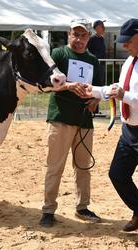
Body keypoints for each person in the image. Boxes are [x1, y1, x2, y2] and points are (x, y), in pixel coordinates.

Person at [90, 18, 138, 248]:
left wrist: (125, 96)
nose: (124, 46)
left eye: (128, 41)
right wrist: (95, 91)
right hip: (130, 130)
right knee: (117, 174)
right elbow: (120, 88)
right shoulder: (132, 61)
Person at [39, 18, 103, 227]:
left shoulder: (93, 60)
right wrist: (68, 86)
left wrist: (95, 100)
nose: (79, 39)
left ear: (89, 37)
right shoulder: (59, 54)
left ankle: (82, 206)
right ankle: (48, 210)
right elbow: (46, 83)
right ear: (69, 35)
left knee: (83, 167)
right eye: (75, 34)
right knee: (55, 166)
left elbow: (99, 89)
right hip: (60, 118)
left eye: (83, 35)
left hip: (84, 121)